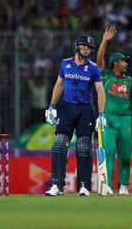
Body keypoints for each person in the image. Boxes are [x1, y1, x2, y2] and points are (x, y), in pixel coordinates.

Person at [44, 34, 106, 197]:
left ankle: (84, 186)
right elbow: (59, 85)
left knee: (84, 148)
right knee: (58, 145)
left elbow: (100, 90)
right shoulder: (65, 64)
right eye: (84, 46)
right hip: (67, 108)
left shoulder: (93, 68)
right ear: (77, 46)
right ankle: (57, 185)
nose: (86, 49)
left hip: (85, 110)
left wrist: (101, 114)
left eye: (89, 48)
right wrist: (51, 106)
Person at [96, 27, 132, 195]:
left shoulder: (130, 81)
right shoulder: (105, 76)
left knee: (125, 155)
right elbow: (98, 61)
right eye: (123, 61)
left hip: (126, 119)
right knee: (109, 152)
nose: (126, 63)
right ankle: (108, 185)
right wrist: (104, 41)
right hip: (108, 120)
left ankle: (123, 185)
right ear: (115, 63)